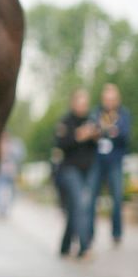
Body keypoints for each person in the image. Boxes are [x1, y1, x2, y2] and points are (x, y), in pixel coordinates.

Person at [54, 88, 97, 258]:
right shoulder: (66, 122)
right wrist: (79, 136)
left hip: (87, 170)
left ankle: (65, 246)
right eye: (80, 102)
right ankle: (85, 247)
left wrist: (94, 136)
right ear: (73, 103)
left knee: (74, 210)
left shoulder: (91, 120)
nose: (83, 106)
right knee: (81, 205)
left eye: (86, 103)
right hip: (70, 170)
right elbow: (60, 144)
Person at [88, 83, 131, 246]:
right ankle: (89, 234)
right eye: (107, 99)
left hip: (115, 162)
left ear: (117, 99)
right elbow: (93, 131)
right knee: (92, 198)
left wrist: (106, 130)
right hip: (97, 161)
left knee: (117, 198)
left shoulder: (124, 113)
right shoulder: (95, 112)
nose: (109, 102)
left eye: (112, 99)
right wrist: (109, 129)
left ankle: (117, 234)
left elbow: (124, 135)